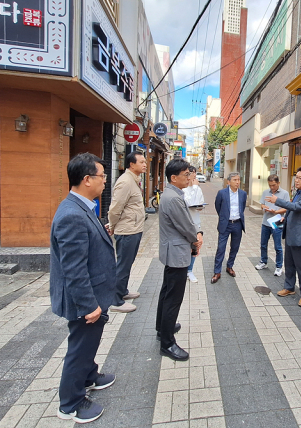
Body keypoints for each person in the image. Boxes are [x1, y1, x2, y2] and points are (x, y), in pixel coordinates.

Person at [50, 153, 117, 424]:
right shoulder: (71, 215)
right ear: (87, 179)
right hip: (84, 300)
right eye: (102, 176)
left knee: (89, 345)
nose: (105, 181)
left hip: (94, 293)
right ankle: (71, 403)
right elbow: (73, 269)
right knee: (79, 348)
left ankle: (90, 376)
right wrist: (89, 305)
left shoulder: (84, 207)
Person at [156, 159, 203, 361]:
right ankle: (167, 343)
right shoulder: (173, 198)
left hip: (172, 251)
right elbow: (186, 226)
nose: (189, 177)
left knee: (167, 292)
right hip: (176, 254)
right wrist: (197, 238)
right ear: (173, 177)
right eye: (185, 174)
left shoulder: (171, 193)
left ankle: (162, 327)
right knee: (173, 299)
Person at [266, 166, 301, 307]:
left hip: (300, 237)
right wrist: (285, 218)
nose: (297, 180)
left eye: (300, 178)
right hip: (290, 233)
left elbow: (296, 207)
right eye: (297, 177)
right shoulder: (299, 192)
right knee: (289, 264)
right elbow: (292, 209)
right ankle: (289, 287)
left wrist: (277, 200)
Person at [107, 152, 147, 313]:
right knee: (123, 265)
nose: (145, 164)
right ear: (131, 164)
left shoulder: (134, 179)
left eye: (145, 161)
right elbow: (115, 208)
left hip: (134, 229)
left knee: (127, 264)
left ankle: (122, 291)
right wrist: (112, 225)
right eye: (141, 162)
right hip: (127, 231)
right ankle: (115, 300)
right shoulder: (125, 182)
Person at [211, 172, 247, 284]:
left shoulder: (243, 194)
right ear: (229, 182)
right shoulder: (222, 193)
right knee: (221, 248)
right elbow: (218, 206)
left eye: (238, 180)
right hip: (225, 224)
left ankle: (229, 266)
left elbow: (243, 207)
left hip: (237, 224)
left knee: (235, 247)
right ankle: (217, 272)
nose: (237, 182)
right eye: (235, 180)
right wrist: (224, 217)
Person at [255, 174, 288, 276]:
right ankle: (263, 262)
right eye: (270, 185)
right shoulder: (266, 192)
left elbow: (287, 208)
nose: (272, 187)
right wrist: (264, 207)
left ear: (278, 183)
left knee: (278, 246)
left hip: (277, 221)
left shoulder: (284, 193)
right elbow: (262, 204)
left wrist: (277, 212)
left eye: (273, 185)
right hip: (266, 221)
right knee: (263, 244)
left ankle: (279, 267)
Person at [183, 165, 205, 283]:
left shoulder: (198, 188)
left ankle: (190, 270)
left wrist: (199, 206)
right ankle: (184, 270)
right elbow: (189, 203)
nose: (194, 175)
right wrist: (195, 187)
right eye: (192, 173)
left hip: (196, 221)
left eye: (195, 173)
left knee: (195, 247)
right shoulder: (183, 189)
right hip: (186, 222)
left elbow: (200, 202)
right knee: (186, 246)